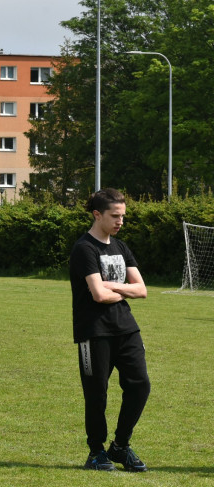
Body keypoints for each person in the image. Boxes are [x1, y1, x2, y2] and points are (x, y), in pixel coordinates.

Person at [70, 188, 150, 472]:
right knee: (96, 394)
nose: (120, 222)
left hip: (126, 329)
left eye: (123, 216)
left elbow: (142, 290)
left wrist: (114, 287)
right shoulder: (85, 249)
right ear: (97, 214)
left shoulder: (120, 247)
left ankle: (120, 446)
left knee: (140, 385)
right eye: (115, 216)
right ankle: (96, 452)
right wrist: (123, 290)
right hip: (94, 332)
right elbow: (97, 296)